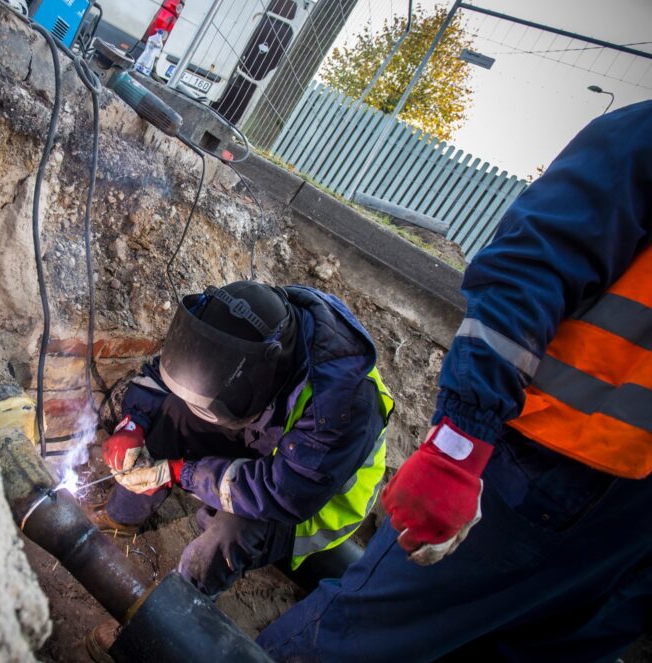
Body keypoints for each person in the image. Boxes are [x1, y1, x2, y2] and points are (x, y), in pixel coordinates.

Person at [257, 101, 652, 662]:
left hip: (621, 529)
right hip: (548, 470)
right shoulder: (643, 136)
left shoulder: (343, 399)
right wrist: (457, 446)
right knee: (354, 641)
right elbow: (530, 269)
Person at [92, 280, 393, 597]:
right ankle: (122, 517)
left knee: (232, 530)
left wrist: (180, 471)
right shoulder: (248, 322)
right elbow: (169, 371)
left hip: (309, 497)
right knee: (175, 413)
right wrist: (132, 424)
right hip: (270, 435)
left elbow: (281, 494)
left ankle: (179, 607)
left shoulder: (344, 406)